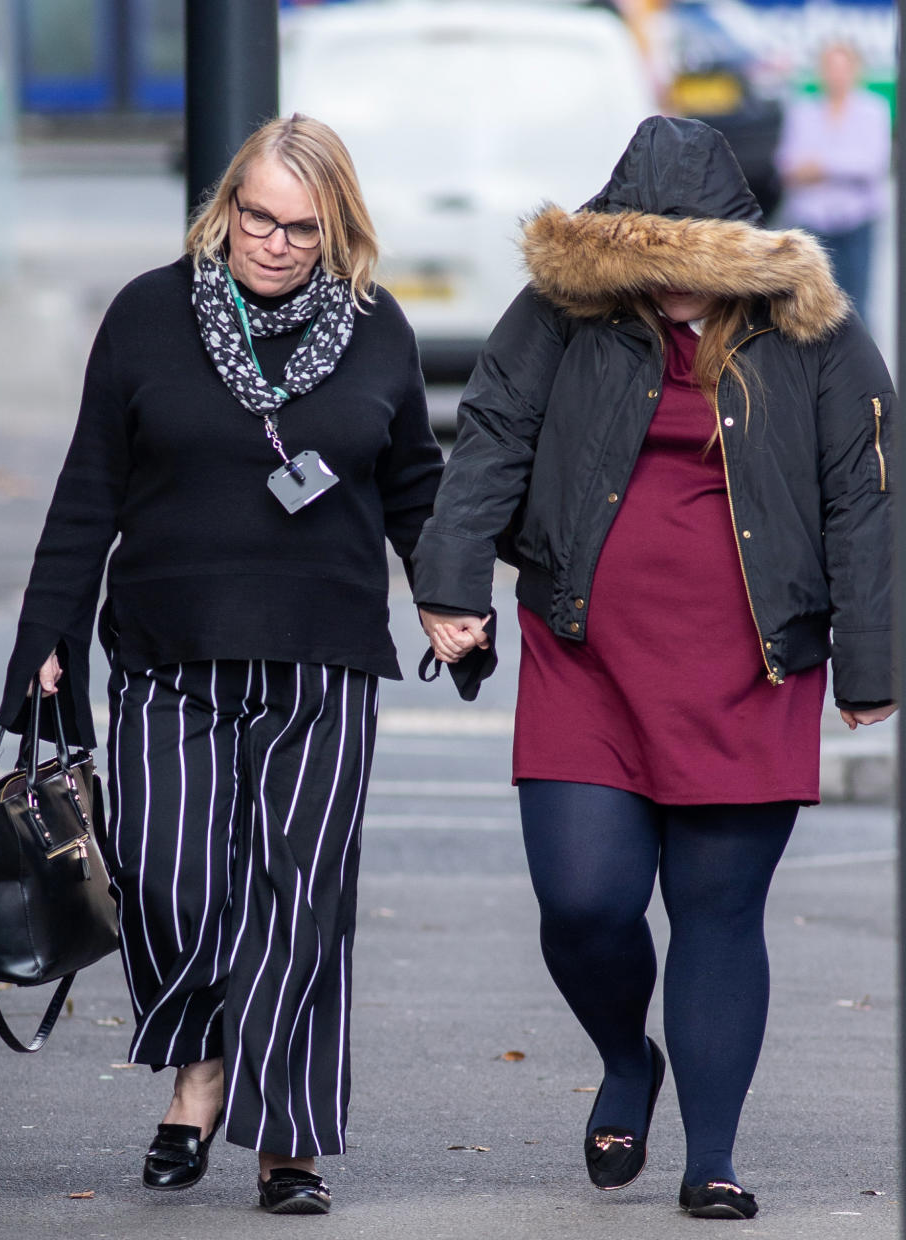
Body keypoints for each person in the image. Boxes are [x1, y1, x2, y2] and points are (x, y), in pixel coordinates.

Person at [413, 116, 895, 1220]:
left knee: (719, 910)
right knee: (583, 903)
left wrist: (872, 661)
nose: (671, 286)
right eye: (649, 261)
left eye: (691, 262)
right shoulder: (559, 315)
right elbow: (489, 437)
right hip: (587, 655)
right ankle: (626, 1057)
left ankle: (712, 1158)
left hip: (753, 668)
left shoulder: (814, 332)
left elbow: (865, 495)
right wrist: (450, 588)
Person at [0, 113, 443, 1215]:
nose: (276, 243)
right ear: (225, 207)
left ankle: (284, 1136)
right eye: (258, 217)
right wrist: (47, 636)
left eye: (301, 226)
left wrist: (450, 600)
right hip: (166, 650)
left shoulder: (380, 328)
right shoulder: (150, 315)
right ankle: (201, 1063)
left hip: (323, 655)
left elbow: (416, 484)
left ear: (334, 225)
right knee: (166, 880)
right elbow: (90, 484)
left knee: (302, 899)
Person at [775, 41, 891, 325]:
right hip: (812, 220)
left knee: (857, 307)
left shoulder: (873, 110)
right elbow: (786, 164)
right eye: (830, 68)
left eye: (843, 68)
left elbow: (872, 165)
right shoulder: (803, 111)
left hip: (856, 219)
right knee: (808, 306)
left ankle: (860, 369)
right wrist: (838, 165)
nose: (836, 75)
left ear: (856, 71)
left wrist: (821, 166)